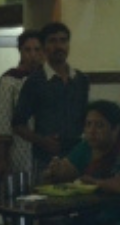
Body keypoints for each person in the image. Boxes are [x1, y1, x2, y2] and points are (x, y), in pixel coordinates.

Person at [12, 22, 90, 169]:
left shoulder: (81, 80)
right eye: (53, 41)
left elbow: (86, 118)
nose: (59, 46)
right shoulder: (35, 81)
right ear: (44, 47)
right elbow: (17, 124)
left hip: (78, 157)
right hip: (46, 160)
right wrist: (42, 141)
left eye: (63, 40)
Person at [0, 30, 44, 178]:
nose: (32, 55)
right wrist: (2, 158)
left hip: (44, 145)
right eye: (27, 50)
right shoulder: (10, 80)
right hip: (20, 146)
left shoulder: (47, 78)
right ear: (20, 51)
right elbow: (3, 120)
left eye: (37, 50)